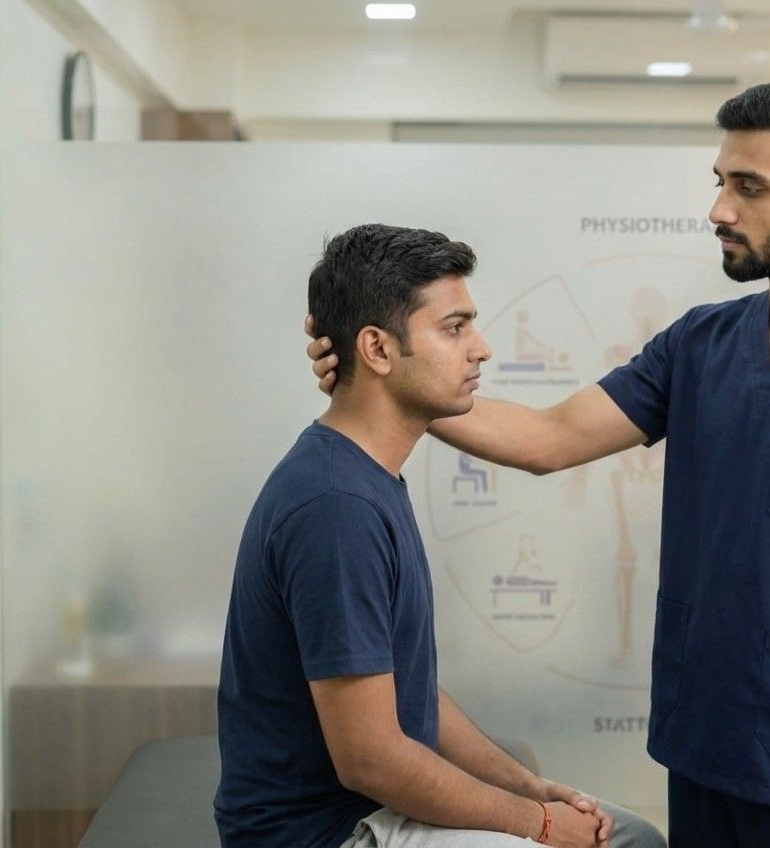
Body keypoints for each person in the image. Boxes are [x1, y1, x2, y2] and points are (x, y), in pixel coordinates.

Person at [307, 80, 770, 848]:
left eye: (749, 187)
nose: (719, 211)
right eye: (720, 182)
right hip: (702, 750)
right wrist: (391, 381)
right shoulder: (700, 344)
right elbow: (548, 437)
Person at [216, 223, 667, 848]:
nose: (481, 348)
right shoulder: (336, 506)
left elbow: (409, 696)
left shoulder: (366, 477)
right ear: (377, 349)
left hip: (367, 812)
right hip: (328, 835)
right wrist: (539, 825)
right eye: (455, 328)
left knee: (634, 837)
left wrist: (530, 792)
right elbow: (370, 759)